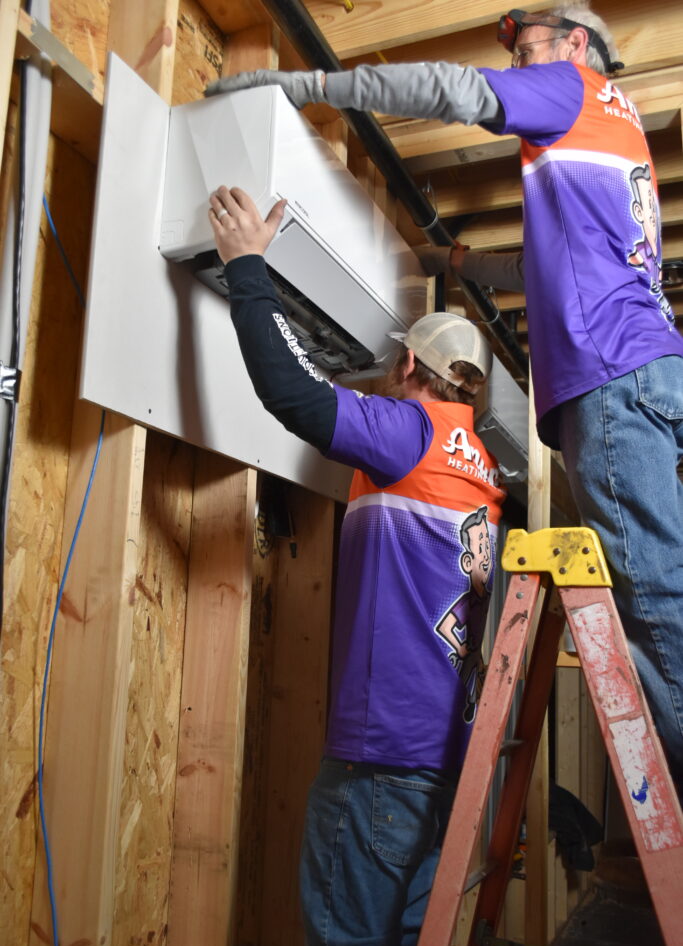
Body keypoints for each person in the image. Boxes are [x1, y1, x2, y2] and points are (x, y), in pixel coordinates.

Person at [206, 2, 683, 800]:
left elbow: (453, 88)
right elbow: (537, 271)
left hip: (612, 376)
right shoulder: (609, 133)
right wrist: (436, 259)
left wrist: (307, 86)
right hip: (640, 371)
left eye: (526, 50)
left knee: (655, 601)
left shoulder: (571, 86)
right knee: (653, 595)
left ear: (573, 46)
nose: (521, 69)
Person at [208, 183, 506, 946]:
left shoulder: (407, 434)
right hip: (439, 757)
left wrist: (247, 269)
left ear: (408, 368)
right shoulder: (480, 470)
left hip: (378, 763)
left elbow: (293, 399)